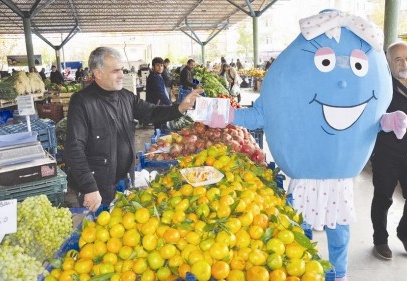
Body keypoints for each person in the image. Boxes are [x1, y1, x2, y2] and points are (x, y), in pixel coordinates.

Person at [205, 10, 407, 281]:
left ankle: (338, 273)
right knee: (299, 229)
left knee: (339, 229)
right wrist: (224, 114)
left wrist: (388, 120)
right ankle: (302, 271)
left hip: (340, 178)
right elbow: (262, 113)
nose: (343, 81)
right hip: (307, 179)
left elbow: (372, 117)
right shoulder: (287, 79)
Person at [64, 47, 202, 212]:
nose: (122, 75)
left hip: (122, 181)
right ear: (98, 73)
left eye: (121, 69)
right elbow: (74, 148)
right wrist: (89, 187)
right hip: (97, 187)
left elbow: (151, 112)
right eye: (115, 71)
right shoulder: (82, 102)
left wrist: (179, 108)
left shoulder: (125, 96)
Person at [370, 41, 407, 260]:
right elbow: (370, 118)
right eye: (398, 59)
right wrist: (386, 120)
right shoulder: (381, 87)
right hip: (386, 153)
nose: (404, 63)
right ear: (388, 62)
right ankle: (380, 241)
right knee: (383, 198)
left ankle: (404, 232)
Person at [146, 57, 172, 132]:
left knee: (159, 124)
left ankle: (158, 136)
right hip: (156, 105)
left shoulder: (157, 75)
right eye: (158, 65)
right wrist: (169, 103)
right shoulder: (154, 77)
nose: (160, 67)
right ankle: (158, 138)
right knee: (159, 124)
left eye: (162, 65)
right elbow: (160, 93)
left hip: (158, 104)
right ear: (153, 66)